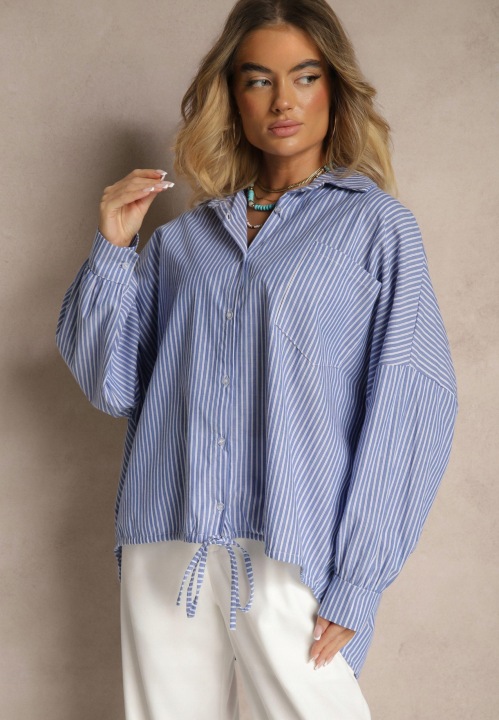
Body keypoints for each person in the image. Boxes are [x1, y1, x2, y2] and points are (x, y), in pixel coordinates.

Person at [55, 0, 459, 718]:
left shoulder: (375, 229)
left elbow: (411, 401)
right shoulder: (181, 243)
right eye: (258, 80)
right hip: (165, 539)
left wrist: (358, 577)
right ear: (231, 95)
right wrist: (113, 247)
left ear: (334, 87)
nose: (282, 102)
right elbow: (110, 384)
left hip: (288, 545)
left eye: (304, 77)